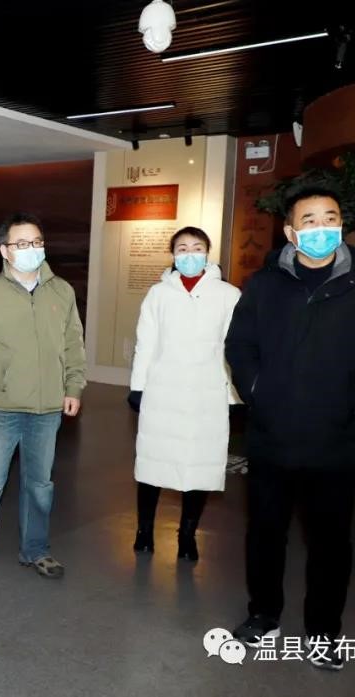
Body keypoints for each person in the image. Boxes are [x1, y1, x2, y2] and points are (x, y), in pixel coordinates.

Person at [225, 183, 355, 671]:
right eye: (310, 221)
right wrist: (256, 389)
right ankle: (263, 615)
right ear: (290, 232)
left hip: (335, 440)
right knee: (265, 533)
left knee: (330, 542)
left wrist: (354, 401)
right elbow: (240, 344)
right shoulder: (264, 285)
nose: (321, 228)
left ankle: (323, 631)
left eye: (330, 218)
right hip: (272, 436)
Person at [0, 212, 86, 582]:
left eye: (37, 242)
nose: (31, 249)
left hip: (47, 408)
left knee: (40, 486)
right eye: (22, 243)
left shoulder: (62, 292)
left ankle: (36, 550)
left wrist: (73, 386)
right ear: (5, 250)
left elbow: (73, 344)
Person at [128, 227, 241, 562]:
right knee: (152, 463)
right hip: (163, 392)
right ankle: (144, 530)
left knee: (200, 466)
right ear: (173, 254)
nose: (190, 254)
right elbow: (145, 343)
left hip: (207, 395)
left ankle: (188, 534)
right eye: (182, 248)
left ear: (208, 251)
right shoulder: (158, 294)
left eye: (197, 247)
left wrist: (234, 397)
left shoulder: (228, 294)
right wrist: (138, 387)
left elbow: (233, 349)